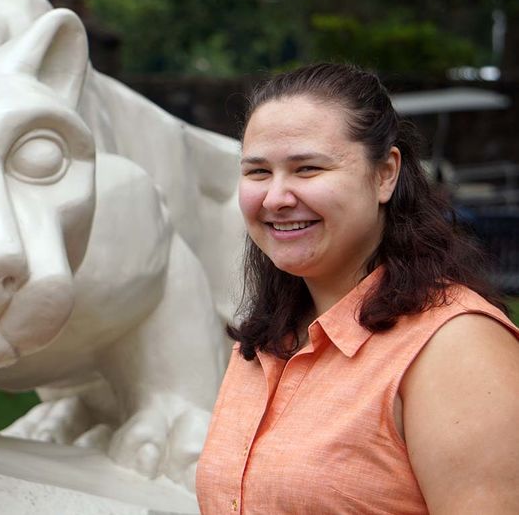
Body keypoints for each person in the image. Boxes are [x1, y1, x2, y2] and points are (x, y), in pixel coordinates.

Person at [195, 63, 519, 514]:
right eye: (258, 172)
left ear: (385, 174)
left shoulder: (455, 348)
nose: (275, 198)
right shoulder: (264, 340)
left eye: (307, 168)